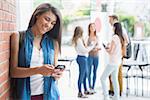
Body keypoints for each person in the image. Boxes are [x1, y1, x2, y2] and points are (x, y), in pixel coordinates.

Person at [10, 3, 64, 100]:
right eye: (47, 19)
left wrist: (57, 74)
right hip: (25, 96)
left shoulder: (54, 43)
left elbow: (54, 73)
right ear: (37, 15)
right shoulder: (18, 37)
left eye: (53, 23)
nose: (49, 25)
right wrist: (38, 70)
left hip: (50, 95)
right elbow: (13, 72)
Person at [101, 22, 125, 100]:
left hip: (112, 62)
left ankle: (106, 97)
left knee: (102, 78)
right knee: (114, 79)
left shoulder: (114, 37)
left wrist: (106, 48)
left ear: (115, 28)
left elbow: (111, 51)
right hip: (118, 61)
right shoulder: (121, 38)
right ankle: (116, 97)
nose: (112, 28)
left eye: (113, 27)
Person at [72, 26, 96, 98]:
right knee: (81, 76)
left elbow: (84, 49)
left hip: (82, 58)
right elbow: (84, 50)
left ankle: (85, 90)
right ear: (80, 32)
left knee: (85, 75)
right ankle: (80, 92)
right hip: (82, 58)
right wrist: (92, 46)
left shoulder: (79, 39)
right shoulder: (78, 40)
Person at [108, 15, 129, 96]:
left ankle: (118, 91)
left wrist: (120, 50)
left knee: (118, 73)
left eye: (110, 19)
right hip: (114, 55)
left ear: (114, 19)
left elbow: (126, 41)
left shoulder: (121, 29)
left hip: (118, 56)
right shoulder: (114, 29)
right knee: (112, 73)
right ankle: (112, 90)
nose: (109, 21)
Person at [86, 23, 101, 93]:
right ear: (89, 28)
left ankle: (93, 87)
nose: (92, 28)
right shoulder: (87, 37)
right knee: (89, 72)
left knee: (95, 72)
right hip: (90, 56)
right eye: (91, 27)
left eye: (94, 27)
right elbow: (86, 47)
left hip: (96, 56)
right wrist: (92, 48)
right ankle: (89, 86)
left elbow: (99, 46)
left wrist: (97, 48)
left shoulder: (97, 37)